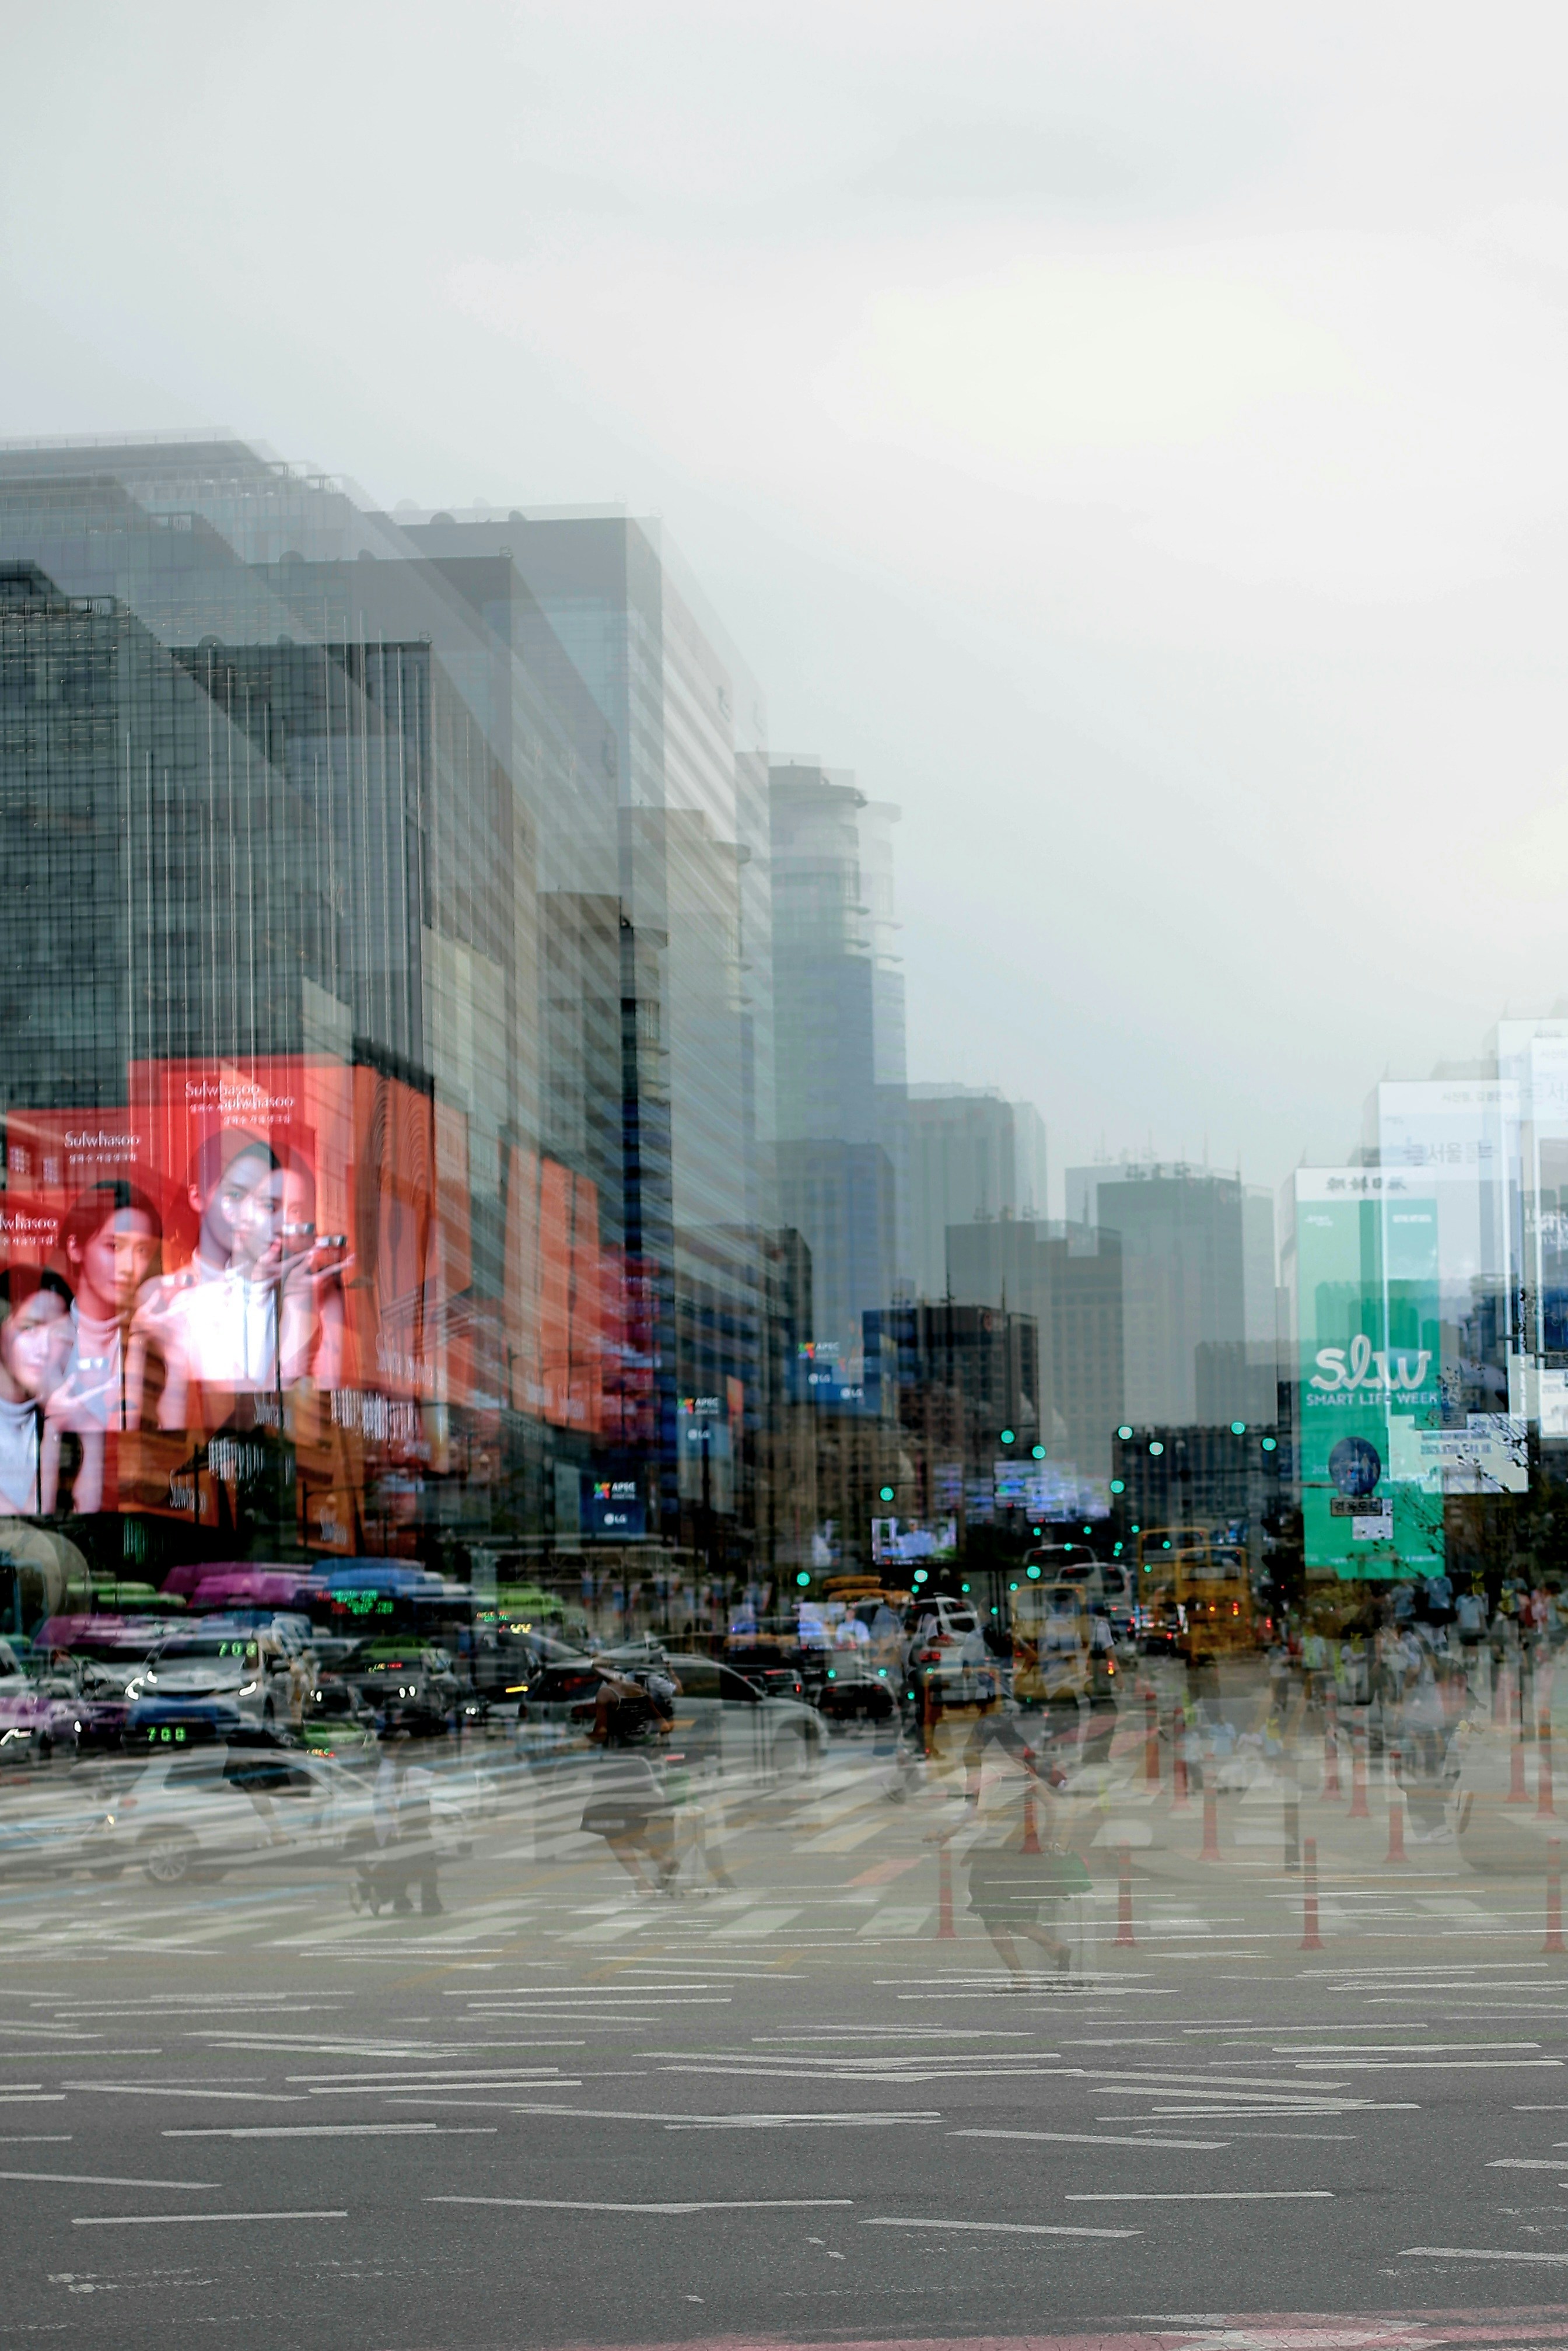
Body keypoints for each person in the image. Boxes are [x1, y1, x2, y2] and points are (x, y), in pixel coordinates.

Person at [40, 1181, 162, 1512]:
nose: (129, 1267)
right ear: (75, 1248)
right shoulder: (43, 1346)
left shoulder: (155, 1347)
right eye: (114, 1246)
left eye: (142, 1251)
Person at [0, 1267, 73, 1513]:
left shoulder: (59, 1413)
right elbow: (28, 1532)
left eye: (58, 1334)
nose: (44, 1349)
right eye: (30, 1328)